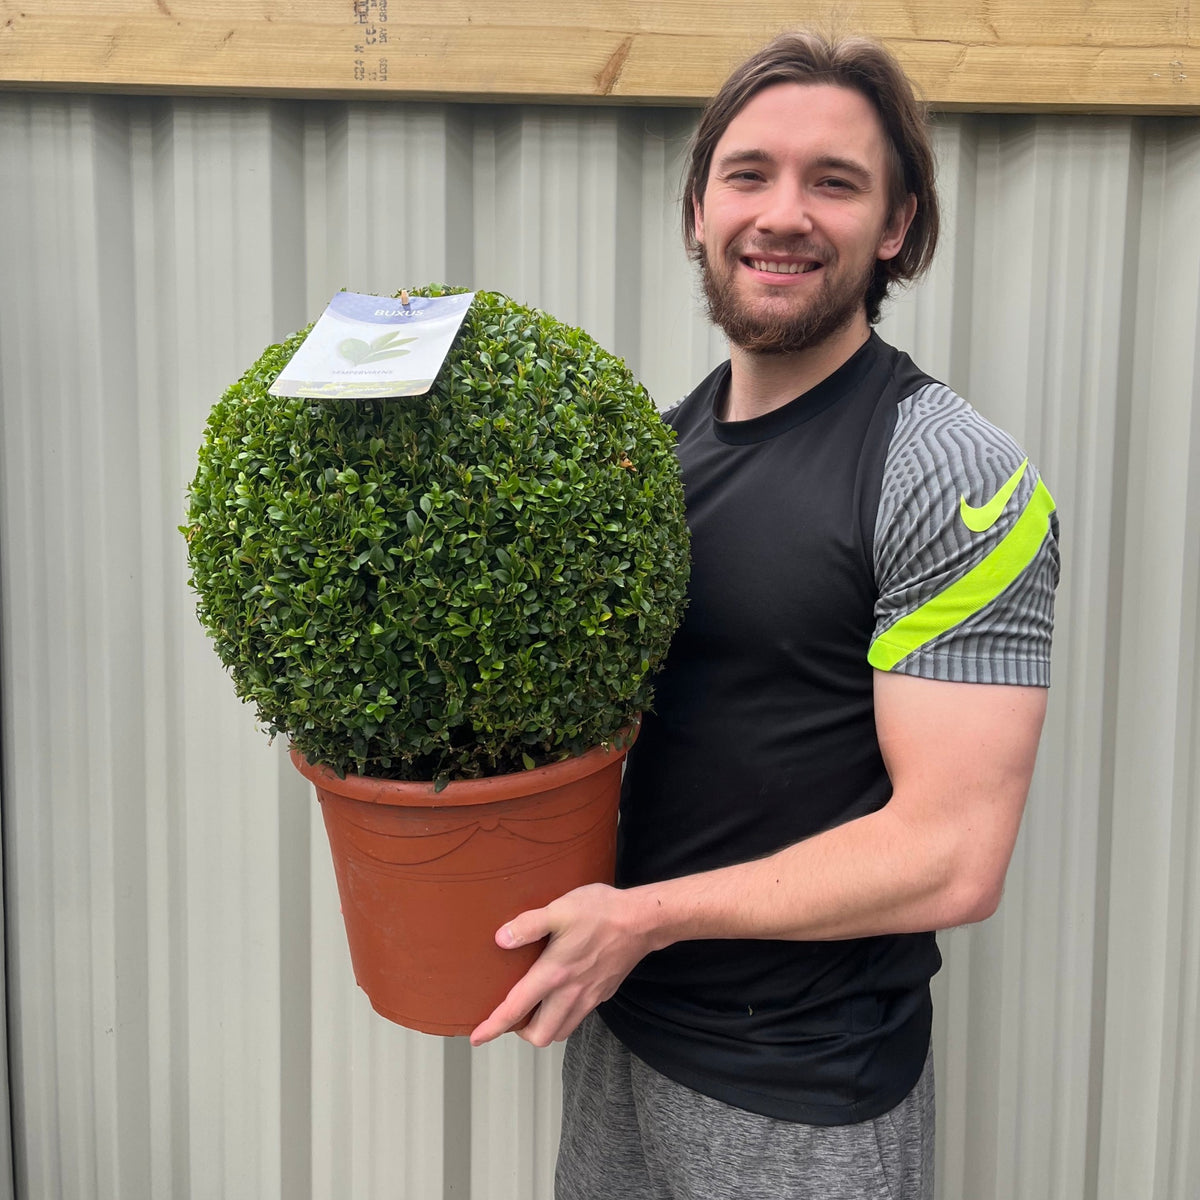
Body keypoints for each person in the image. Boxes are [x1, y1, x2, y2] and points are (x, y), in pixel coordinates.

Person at [470, 28, 1060, 1200]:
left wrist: (644, 917)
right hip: (621, 1029)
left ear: (894, 226)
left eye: (833, 181)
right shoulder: (659, 452)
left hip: (799, 1090)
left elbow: (953, 857)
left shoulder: (949, 471)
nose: (782, 214)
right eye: (749, 174)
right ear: (700, 208)